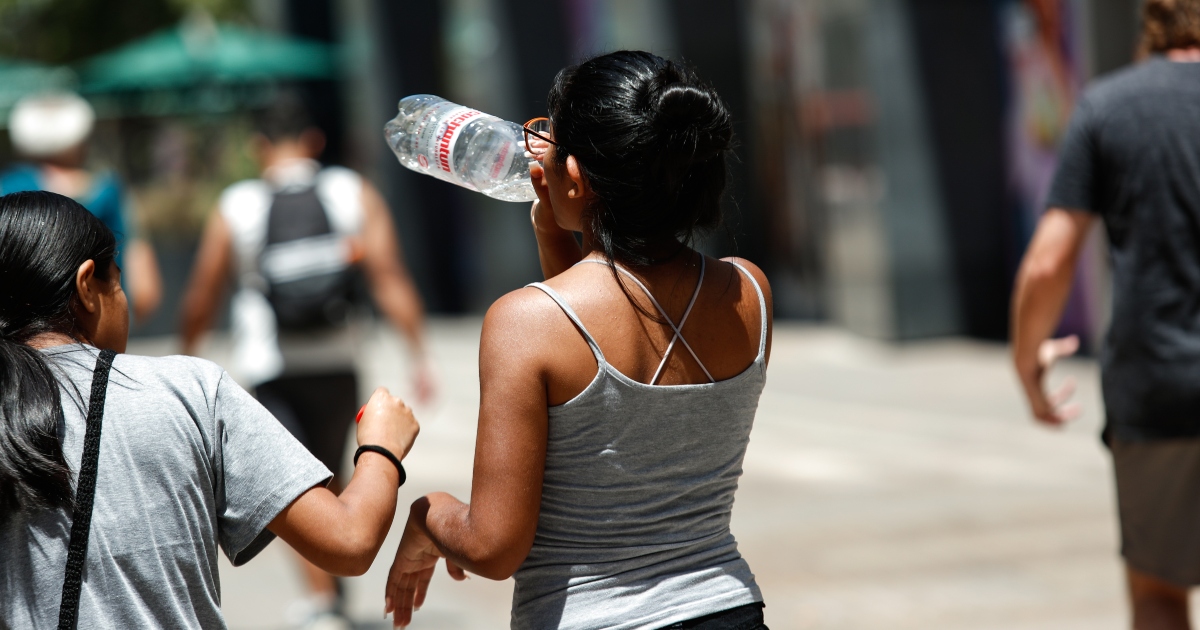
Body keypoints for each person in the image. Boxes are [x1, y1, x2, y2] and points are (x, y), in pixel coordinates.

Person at [383, 51, 773, 629]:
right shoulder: (750, 291)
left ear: (574, 175)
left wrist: (426, 516)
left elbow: (493, 547)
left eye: (549, 136)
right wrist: (558, 230)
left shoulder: (524, 322)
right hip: (729, 608)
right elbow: (610, 328)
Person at [0, 191, 419, 628]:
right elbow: (349, 541)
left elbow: (203, 291)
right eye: (118, 283)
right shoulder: (189, 390)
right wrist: (381, 447)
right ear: (87, 286)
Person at [179, 95, 432, 628]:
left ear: (258, 147)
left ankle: (323, 604)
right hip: (339, 359)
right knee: (330, 473)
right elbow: (388, 276)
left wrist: (186, 360)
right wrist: (419, 356)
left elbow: (202, 294)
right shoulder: (352, 191)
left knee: (295, 484)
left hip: (271, 364)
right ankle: (329, 594)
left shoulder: (237, 204)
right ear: (314, 141)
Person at [1011, 1, 1200, 628]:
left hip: (1156, 388)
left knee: (1159, 593)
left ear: (1152, 24)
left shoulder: (1108, 107)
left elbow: (1048, 263)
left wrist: (1027, 361)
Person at [1, 92, 163, 324]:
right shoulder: (108, 191)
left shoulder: (7, 188)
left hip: (20, 332)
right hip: (98, 323)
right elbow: (145, 290)